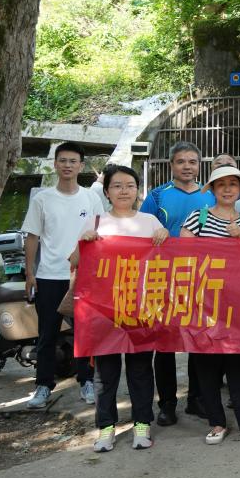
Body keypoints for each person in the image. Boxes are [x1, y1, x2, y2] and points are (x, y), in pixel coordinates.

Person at [70, 165, 167, 452]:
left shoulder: (150, 221)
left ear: (138, 190)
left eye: (130, 185)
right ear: (107, 191)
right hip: (103, 311)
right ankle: (106, 427)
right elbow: (74, 261)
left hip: (140, 308)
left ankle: (142, 424)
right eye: (117, 186)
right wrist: (84, 242)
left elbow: (166, 262)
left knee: (140, 370)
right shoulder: (97, 221)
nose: (124, 191)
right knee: (105, 373)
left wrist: (164, 236)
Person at [181, 165, 240, 448]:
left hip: (237, 305)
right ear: (212, 189)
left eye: (233, 184)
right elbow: (183, 255)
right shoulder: (197, 218)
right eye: (220, 184)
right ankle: (217, 423)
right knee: (207, 366)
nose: (227, 189)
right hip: (204, 304)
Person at [23, 142, 104, 409]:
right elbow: (32, 237)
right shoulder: (42, 199)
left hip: (84, 276)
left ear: (81, 166)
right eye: (63, 160)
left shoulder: (91, 198)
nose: (68, 165)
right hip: (49, 276)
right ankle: (43, 385)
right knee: (47, 333)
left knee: (84, 332)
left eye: (73, 161)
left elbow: (102, 233)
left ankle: (87, 381)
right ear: (55, 164)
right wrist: (30, 274)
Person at [140, 141, 215, 425]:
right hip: (164, 278)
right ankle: (167, 403)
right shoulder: (157, 196)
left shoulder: (210, 196)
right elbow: (141, 231)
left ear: (199, 165)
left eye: (192, 162)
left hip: (201, 278)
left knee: (199, 340)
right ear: (171, 165)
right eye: (181, 161)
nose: (187, 166)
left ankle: (197, 399)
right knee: (165, 343)